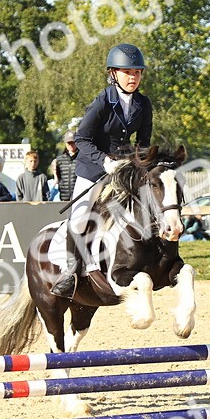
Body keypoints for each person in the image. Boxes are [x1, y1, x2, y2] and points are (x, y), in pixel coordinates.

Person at [51, 44, 152, 298]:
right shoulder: (102, 101)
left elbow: (144, 143)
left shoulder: (143, 104)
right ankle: (70, 272)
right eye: (127, 72)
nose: (133, 77)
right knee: (80, 216)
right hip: (93, 169)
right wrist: (104, 160)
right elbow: (82, 139)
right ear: (113, 74)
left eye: (137, 72)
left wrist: (139, 164)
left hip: (124, 170)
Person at [54, 128, 79, 203]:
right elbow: (58, 176)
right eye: (69, 143)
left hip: (78, 196)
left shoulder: (82, 158)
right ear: (65, 143)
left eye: (73, 142)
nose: (71, 145)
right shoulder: (60, 159)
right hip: (64, 197)